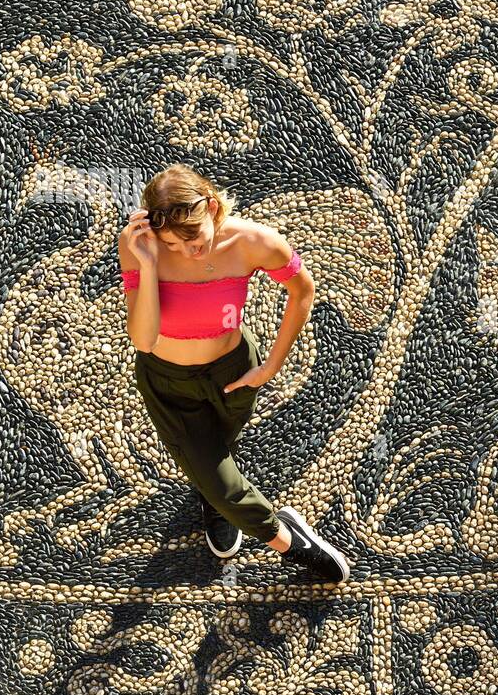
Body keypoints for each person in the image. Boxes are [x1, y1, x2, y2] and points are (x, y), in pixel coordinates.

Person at [117, 164, 349, 583]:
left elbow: (303, 290)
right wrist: (149, 265)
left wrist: (272, 364)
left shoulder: (254, 242)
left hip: (233, 369)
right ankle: (290, 541)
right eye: (174, 243)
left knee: (221, 448)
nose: (189, 252)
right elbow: (143, 339)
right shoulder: (140, 247)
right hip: (170, 382)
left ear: (210, 206)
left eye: (195, 237)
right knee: (219, 479)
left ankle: (212, 498)